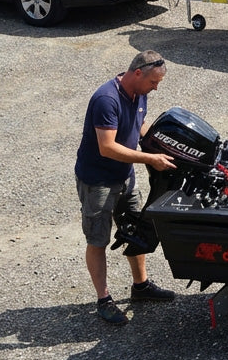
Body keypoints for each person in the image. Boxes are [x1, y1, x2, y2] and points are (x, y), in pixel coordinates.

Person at [75, 50, 177, 325]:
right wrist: (150, 159)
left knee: (136, 228)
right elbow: (106, 147)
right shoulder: (106, 100)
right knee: (98, 239)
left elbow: (138, 123)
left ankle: (140, 286)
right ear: (137, 73)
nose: (155, 88)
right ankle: (103, 299)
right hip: (98, 180)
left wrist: (159, 143)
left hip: (125, 175)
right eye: (153, 82)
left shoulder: (138, 92)